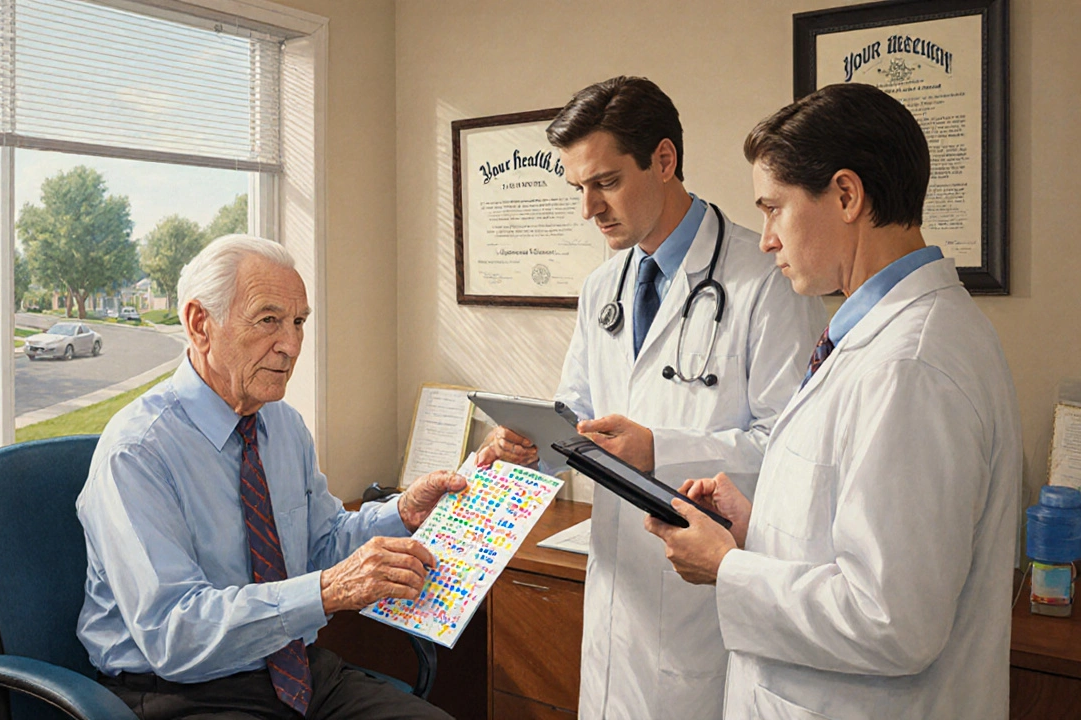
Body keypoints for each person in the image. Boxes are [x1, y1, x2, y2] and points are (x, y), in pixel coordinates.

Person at [646, 83, 1022, 719]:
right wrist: (756, 527)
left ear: (846, 195)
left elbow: (891, 620)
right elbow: (862, 530)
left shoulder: (912, 366)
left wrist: (729, 569)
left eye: (774, 209)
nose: (766, 238)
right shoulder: (877, 339)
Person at [476, 76, 825, 718]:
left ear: (664, 161)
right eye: (578, 188)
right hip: (616, 588)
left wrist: (660, 449)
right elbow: (576, 420)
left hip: (705, 598)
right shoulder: (601, 285)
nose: (589, 209)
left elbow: (789, 448)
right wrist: (535, 447)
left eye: (605, 182)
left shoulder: (763, 281)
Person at [77, 235, 463, 720]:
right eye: (268, 321)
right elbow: (174, 632)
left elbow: (323, 543)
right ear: (201, 324)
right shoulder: (137, 451)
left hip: (294, 669)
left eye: (299, 322)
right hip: (183, 691)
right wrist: (325, 592)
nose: (292, 345)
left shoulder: (282, 425)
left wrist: (404, 513)